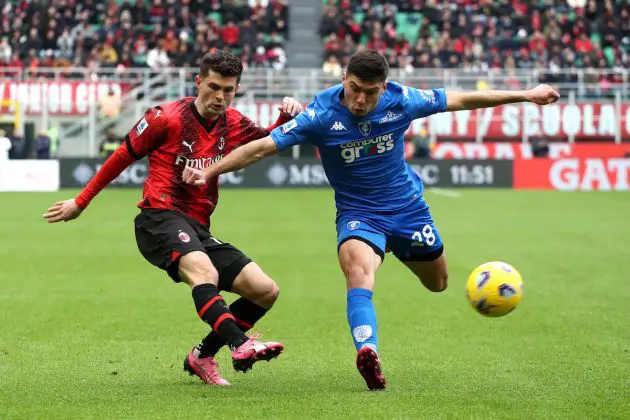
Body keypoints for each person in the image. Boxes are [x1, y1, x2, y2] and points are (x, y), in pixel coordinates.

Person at [181, 49, 560, 391]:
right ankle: (368, 351)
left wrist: (526, 95)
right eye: (355, 88)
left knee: (439, 283)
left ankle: (394, 261)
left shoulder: (402, 100)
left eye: (371, 92)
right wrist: (211, 170)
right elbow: (263, 146)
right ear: (344, 78)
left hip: (409, 211)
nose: (361, 99)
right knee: (358, 272)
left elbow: (459, 99)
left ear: (384, 87)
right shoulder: (321, 113)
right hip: (359, 215)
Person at [42, 51, 303, 386]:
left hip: (197, 227)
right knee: (204, 272)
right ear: (198, 82)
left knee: (264, 290)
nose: (219, 97)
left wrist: (284, 117)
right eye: (213, 87)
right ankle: (241, 344)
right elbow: (122, 156)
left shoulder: (234, 122)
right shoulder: (165, 117)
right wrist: (81, 201)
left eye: (228, 89)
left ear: (236, 89)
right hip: (158, 218)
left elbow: (265, 142)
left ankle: (203, 356)